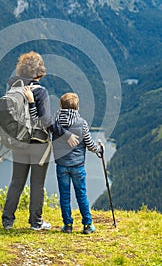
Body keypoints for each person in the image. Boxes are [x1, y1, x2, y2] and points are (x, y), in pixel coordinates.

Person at [2, 52, 79, 231]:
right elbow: (46, 120)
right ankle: (35, 222)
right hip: (39, 143)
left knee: (16, 181)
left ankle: (7, 221)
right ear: (39, 72)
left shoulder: (13, 90)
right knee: (37, 184)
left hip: (19, 142)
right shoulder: (40, 91)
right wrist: (66, 135)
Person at [52, 92, 104, 234]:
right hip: (78, 166)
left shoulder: (55, 123)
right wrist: (99, 150)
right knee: (81, 195)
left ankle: (67, 225)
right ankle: (87, 225)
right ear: (77, 107)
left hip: (61, 165)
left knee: (64, 195)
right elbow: (90, 144)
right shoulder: (82, 123)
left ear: (61, 106)